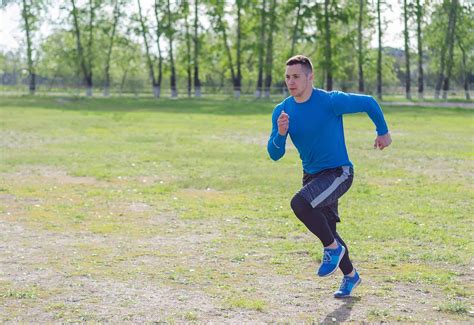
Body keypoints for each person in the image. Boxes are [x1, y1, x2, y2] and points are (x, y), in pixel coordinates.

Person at [267, 55, 392, 298]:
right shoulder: (281, 111)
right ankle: (351, 276)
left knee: (300, 204)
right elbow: (274, 154)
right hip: (311, 176)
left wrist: (383, 131)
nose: (291, 82)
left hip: (338, 172)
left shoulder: (330, 101)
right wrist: (281, 134)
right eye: (287, 77)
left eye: (296, 77)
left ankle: (332, 250)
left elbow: (369, 102)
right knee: (329, 231)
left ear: (310, 77)